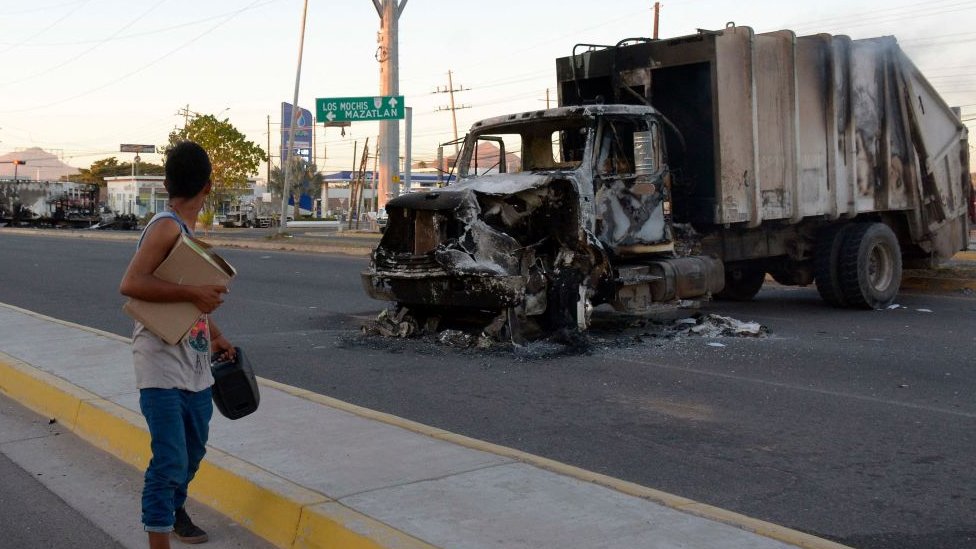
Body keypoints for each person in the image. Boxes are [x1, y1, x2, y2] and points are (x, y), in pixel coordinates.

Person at [119, 140, 235, 548]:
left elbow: (191, 299)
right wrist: (194, 295)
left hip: (196, 363)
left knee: (193, 452)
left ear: (168, 182)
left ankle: (175, 507)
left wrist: (218, 337)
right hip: (160, 364)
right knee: (169, 460)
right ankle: (160, 537)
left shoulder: (184, 232)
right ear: (207, 187)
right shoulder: (166, 226)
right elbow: (131, 285)